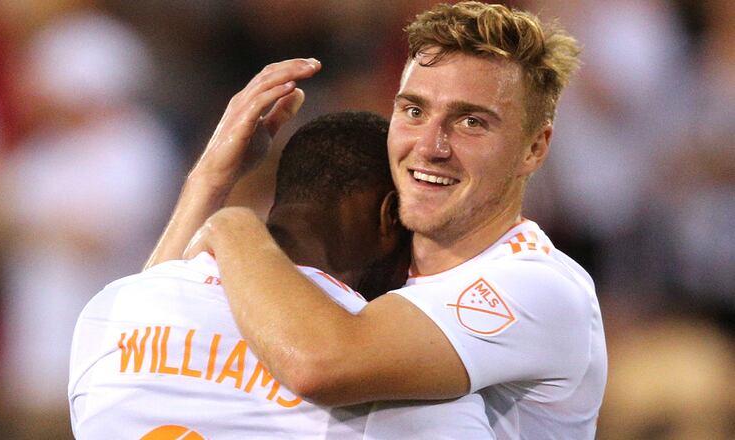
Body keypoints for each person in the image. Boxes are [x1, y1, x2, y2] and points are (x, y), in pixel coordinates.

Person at [162, 2, 606, 438]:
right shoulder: (367, 261)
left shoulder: (541, 288)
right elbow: (150, 331)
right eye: (414, 111)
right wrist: (210, 179)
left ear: (534, 148)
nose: (430, 146)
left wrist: (232, 224)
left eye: (471, 122)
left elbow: (319, 365)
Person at [68, 111, 420, 439]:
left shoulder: (106, 313)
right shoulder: (382, 360)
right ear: (390, 215)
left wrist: (208, 181)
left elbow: (158, 299)